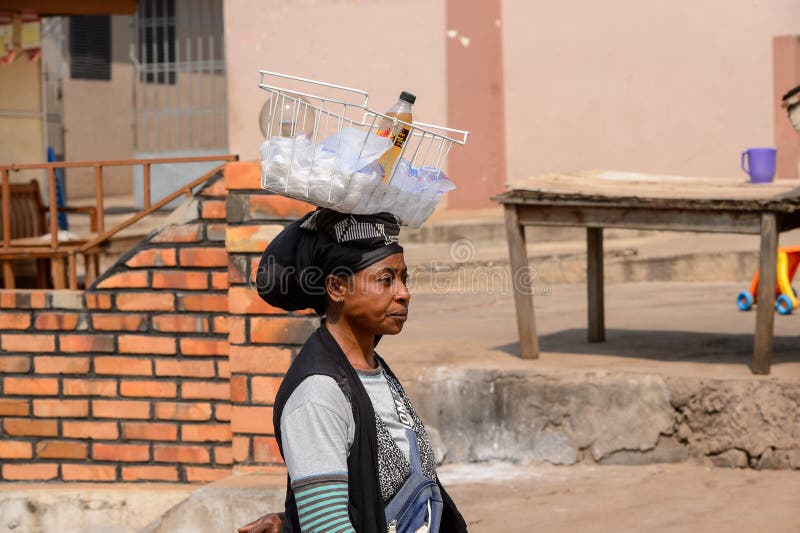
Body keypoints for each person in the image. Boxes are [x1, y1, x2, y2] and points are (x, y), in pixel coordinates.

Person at [238, 208, 467, 533]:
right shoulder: (318, 395)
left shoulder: (372, 369)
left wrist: (288, 524)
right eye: (386, 280)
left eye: (404, 279)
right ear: (336, 288)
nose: (403, 293)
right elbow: (326, 526)